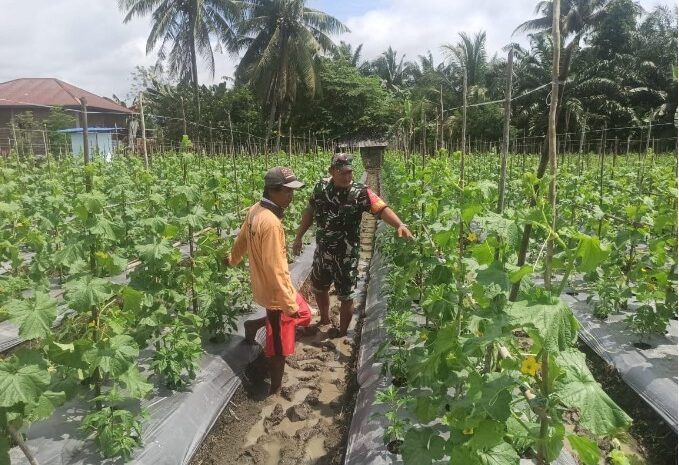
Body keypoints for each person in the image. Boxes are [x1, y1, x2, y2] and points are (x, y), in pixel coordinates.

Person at [292, 153, 413, 338]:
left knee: (346, 295)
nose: (347, 176)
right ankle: (324, 319)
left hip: (347, 254)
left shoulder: (360, 192)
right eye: (342, 172)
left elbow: (381, 208)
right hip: (323, 251)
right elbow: (310, 211)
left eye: (350, 172)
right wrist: (299, 236)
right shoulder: (321, 188)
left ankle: (341, 332)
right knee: (319, 287)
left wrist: (399, 224)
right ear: (332, 171)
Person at [226, 166, 304, 395]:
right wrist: (288, 304)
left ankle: (253, 325)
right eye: (287, 191)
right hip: (274, 292)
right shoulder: (271, 223)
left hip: (265, 286)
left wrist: (233, 258)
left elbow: (241, 237)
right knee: (279, 345)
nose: (292, 196)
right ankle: (276, 389)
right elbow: (276, 268)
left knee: (302, 315)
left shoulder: (255, 209)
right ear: (272, 191)